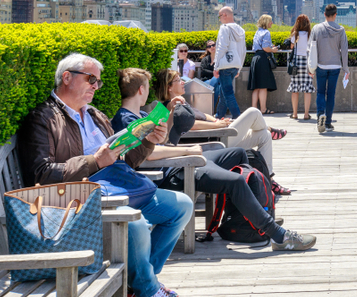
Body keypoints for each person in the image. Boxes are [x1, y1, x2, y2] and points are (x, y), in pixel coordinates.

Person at [17, 53, 191, 297]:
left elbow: (127, 159)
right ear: (66, 77)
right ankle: (147, 287)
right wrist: (93, 162)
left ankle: (143, 281)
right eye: (90, 79)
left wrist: (150, 139)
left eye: (97, 82)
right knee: (137, 224)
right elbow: (40, 174)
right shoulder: (43, 118)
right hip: (80, 199)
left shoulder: (96, 115)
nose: (95, 87)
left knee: (181, 205)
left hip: (117, 188)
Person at [112, 68, 315, 253]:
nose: (148, 92)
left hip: (183, 161)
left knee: (237, 153)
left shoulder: (142, 114)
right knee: (236, 181)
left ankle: (247, 218)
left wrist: (171, 112)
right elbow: (148, 155)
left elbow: (165, 140)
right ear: (140, 90)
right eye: (147, 88)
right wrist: (186, 151)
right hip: (175, 171)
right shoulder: (126, 120)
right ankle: (278, 235)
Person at [150, 68, 285, 175]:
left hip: (221, 133)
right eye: (179, 80)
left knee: (264, 136)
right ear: (169, 87)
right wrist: (215, 125)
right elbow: (189, 125)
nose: (183, 82)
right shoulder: (171, 106)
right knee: (253, 112)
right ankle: (268, 128)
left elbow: (203, 115)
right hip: (215, 141)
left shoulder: (182, 102)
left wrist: (217, 120)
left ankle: (269, 178)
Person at [309, 3, 348, 134]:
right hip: (335, 66)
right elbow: (344, 51)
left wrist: (311, 68)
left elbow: (311, 49)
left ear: (324, 14)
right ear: (336, 15)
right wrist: (346, 68)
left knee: (320, 92)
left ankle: (320, 114)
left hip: (320, 65)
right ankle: (328, 122)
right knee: (331, 93)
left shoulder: (317, 28)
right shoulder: (341, 30)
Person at [213, 6, 246, 119]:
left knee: (227, 92)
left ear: (225, 15)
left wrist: (216, 66)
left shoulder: (224, 28)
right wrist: (239, 67)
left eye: (220, 16)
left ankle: (238, 117)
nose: (219, 19)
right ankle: (219, 116)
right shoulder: (240, 30)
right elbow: (243, 50)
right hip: (235, 65)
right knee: (223, 92)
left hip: (224, 65)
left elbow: (222, 47)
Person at [248, 14, 279, 114]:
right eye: (270, 21)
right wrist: (273, 50)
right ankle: (263, 109)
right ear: (266, 22)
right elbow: (266, 48)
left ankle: (253, 110)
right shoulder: (266, 32)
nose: (272, 23)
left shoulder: (257, 32)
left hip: (255, 59)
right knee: (263, 86)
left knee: (256, 86)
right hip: (262, 60)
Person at [287, 14, 315, 120]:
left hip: (296, 63)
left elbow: (291, 46)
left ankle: (294, 114)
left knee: (295, 88)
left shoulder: (295, 34)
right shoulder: (310, 35)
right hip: (307, 62)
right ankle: (306, 114)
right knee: (307, 88)